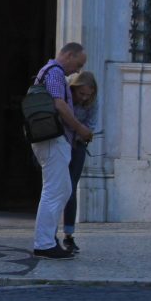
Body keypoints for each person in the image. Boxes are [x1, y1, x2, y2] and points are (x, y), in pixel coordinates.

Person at [30, 42, 93, 260]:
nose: (78, 70)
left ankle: (48, 238)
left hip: (53, 140)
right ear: (68, 54)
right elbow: (59, 104)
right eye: (79, 63)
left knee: (63, 189)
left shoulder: (51, 72)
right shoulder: (55, 73)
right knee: (54, 191)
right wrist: (80, 128)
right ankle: (45, 243)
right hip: (52, 140)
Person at [62, 71, 98, 254]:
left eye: (88, 95)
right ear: (74, 89)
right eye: (81, 94)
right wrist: (78, 129)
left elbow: (91, 124)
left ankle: (69, 235)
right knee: (56, 189)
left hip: (78, 145)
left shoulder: (91, 102)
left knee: (71, 188)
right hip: (61, 144)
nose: (84, 98)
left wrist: (82, 134)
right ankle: (48, 233)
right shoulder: (64, 91)